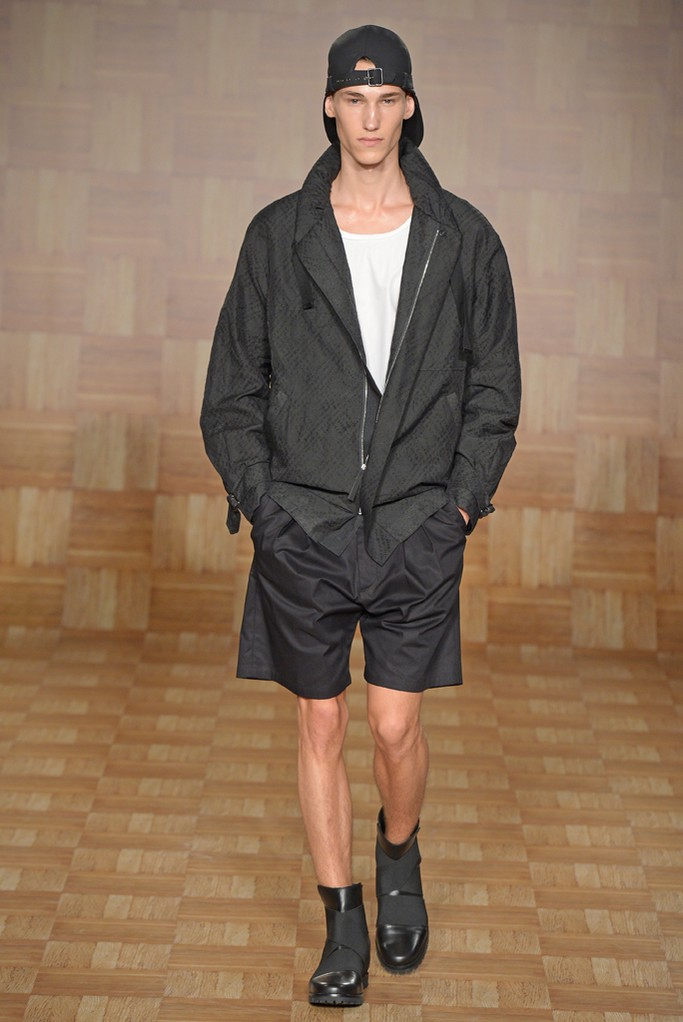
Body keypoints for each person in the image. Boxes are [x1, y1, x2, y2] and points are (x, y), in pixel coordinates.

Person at [201, 24, 521, 1008]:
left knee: (391, 725)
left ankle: (398, 851)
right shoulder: (277, 236)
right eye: (354, 99)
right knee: (319, 720)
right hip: (302, 525)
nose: (370, 118)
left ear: (409, 107)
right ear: (329, 108)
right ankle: (341, 922)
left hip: (417, 523)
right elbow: (230, 393)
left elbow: (493, 391)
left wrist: (458, 505)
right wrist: (264, 505)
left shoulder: (463, 239)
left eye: (387, 100)